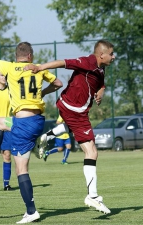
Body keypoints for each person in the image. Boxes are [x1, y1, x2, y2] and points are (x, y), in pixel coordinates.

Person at [0, 31, 63, 224]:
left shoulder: (9, 67)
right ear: (30, 56)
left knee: (21, 170)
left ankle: (31, 211)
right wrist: (42, 93)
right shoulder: (36, 68)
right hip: (34, 122)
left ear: (16, 56)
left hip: (23, 124)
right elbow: (59, 83)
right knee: (1, 122)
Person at [24, 39, 115, 214]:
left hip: (71, 109)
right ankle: (92, 196)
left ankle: (46, 137)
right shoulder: (86, 62)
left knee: (72, 130)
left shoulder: (101, 69)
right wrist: (39, 67)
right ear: (101, 54)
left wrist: (100, 92)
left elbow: (101, 83)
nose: (113, 57)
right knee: (92, 152)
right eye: (111, 54)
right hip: (75, 111)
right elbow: (63, 63)